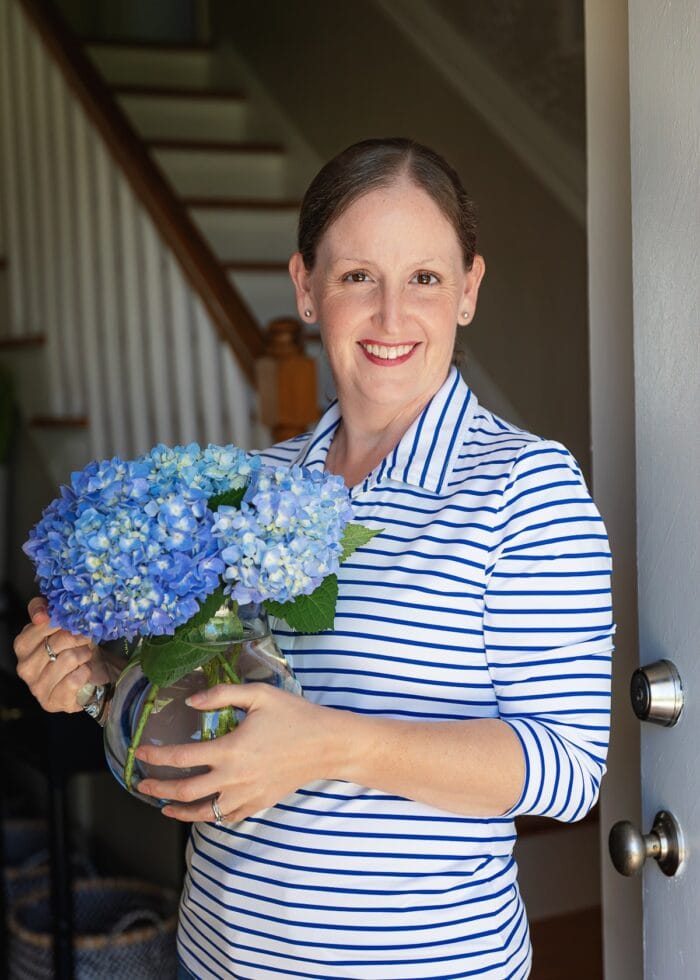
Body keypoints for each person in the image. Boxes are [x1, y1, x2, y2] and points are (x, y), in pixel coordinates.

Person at [14, 137, 613, 980]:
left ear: (469, 290)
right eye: (357, 277)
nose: (392, 317)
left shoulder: (525, 486)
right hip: (216, 958)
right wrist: (99, 684)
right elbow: (208, 700)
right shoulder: (254, 484)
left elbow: (568, 769)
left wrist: (331, 746)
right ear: (307, 287)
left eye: (426, 279)